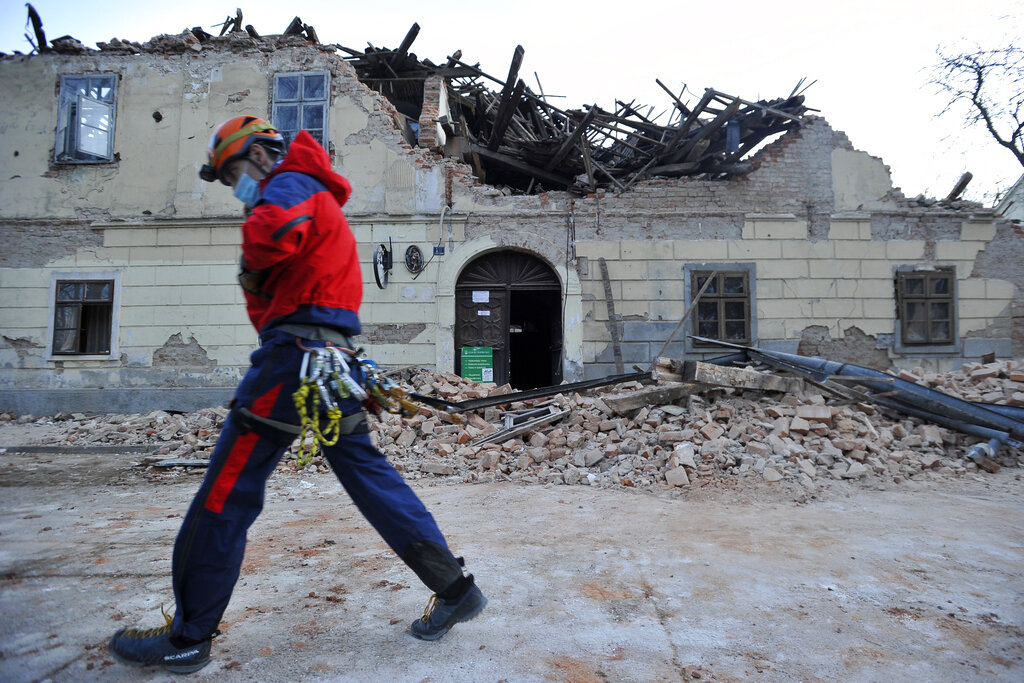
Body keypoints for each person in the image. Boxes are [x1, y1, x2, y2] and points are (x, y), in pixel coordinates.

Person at [108, 116, 486, 673]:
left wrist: (251, 263)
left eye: (235, 172)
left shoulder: (286, 185)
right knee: (368, 474)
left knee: (228, 490)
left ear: (259, 155)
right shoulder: (315, 192)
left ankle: (189, 635)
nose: (237, 187)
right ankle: (455, 590)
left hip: (293, 360)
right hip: (333, 361)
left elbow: (271, 238)